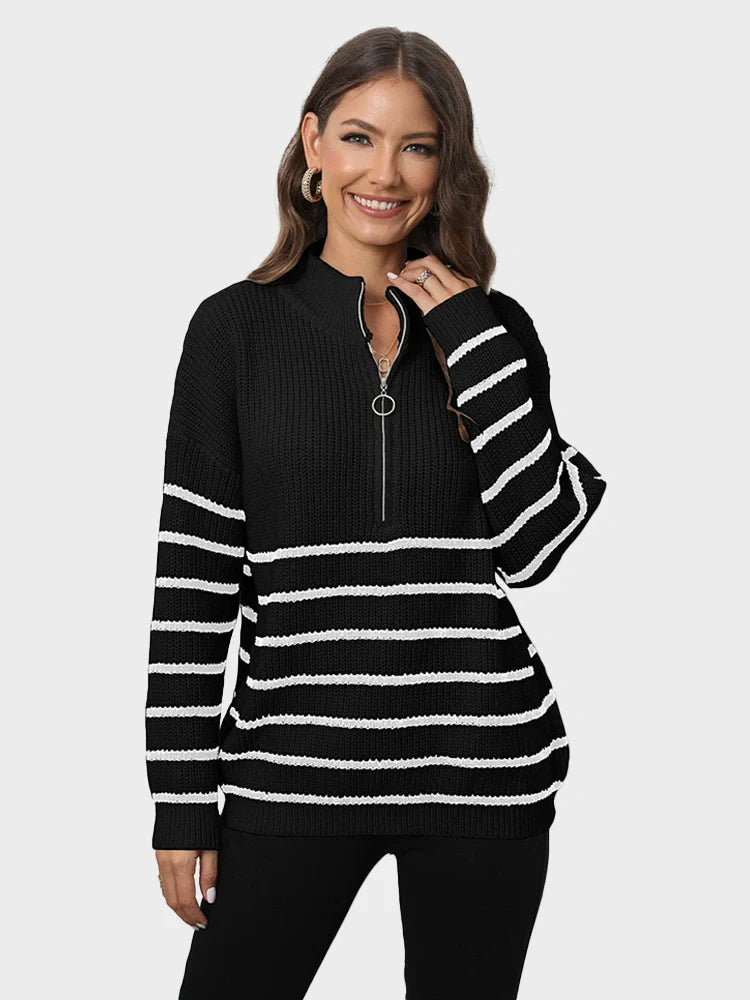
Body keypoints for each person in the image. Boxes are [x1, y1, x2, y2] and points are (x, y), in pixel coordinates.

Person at [145, 26, 607, 1000]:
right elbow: (194, 579)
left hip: (481, 772)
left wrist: (472, 341)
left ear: (447, 165)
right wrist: (181, 798)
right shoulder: (234, 329)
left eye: (417, 146)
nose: (385, 173)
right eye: (359, 137)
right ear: (313, 143)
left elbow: (531, 550)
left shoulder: (493, 328)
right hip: (291, 770)